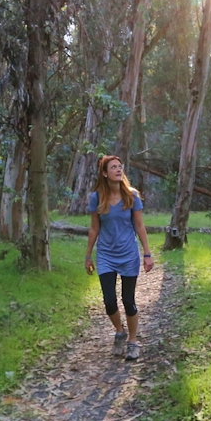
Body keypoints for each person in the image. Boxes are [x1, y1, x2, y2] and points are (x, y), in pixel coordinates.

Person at [85, 154, 154, 361]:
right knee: (109, 301)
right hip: (106, 254)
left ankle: (133, 342)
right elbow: (94, 228)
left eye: (120, 166)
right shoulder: (97, 197)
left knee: (129, 301)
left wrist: (147, 254)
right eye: (113, 167)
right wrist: (88, 256)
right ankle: (119, 331)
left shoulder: (132, 196)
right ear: (105, 173)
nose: (118, 170)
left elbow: (139, 226)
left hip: (128, 255)